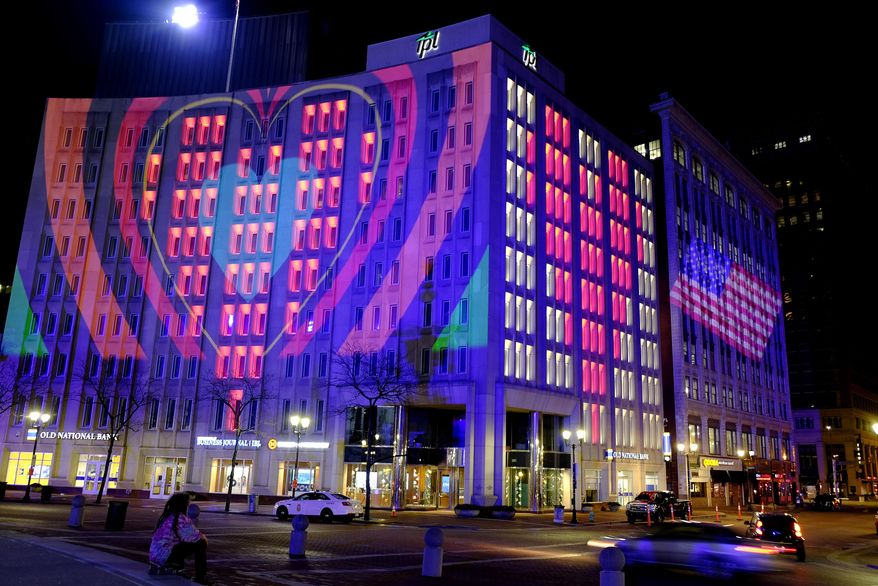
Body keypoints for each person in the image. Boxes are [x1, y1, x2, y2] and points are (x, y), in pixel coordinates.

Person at [149, 492, 212, 585]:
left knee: (179, 543)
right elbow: (197, 537)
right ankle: (200, 577)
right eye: (188, 504)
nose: (188, 507)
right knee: (201, 544)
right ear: (183, 505)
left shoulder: (167, 516)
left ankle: (177, 567)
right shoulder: (180, 518)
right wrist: (204, 539)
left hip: (155, 556)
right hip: (164, 556)